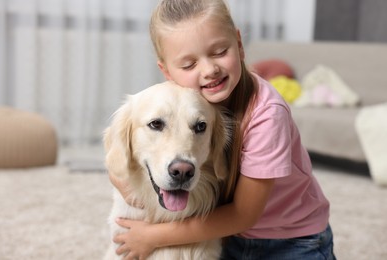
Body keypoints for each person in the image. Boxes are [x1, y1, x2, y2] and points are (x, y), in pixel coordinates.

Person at [110, 0, 336, 259]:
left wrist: (151, 236)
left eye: (219, 52)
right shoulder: (176, 102)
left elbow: (243, 215)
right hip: (228, 235)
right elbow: (119, 161)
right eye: (188, 65)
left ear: (239, 44)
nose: (209, 70)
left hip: (291, 240)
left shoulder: (268, 114)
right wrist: (130, 191)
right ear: (168, 72)